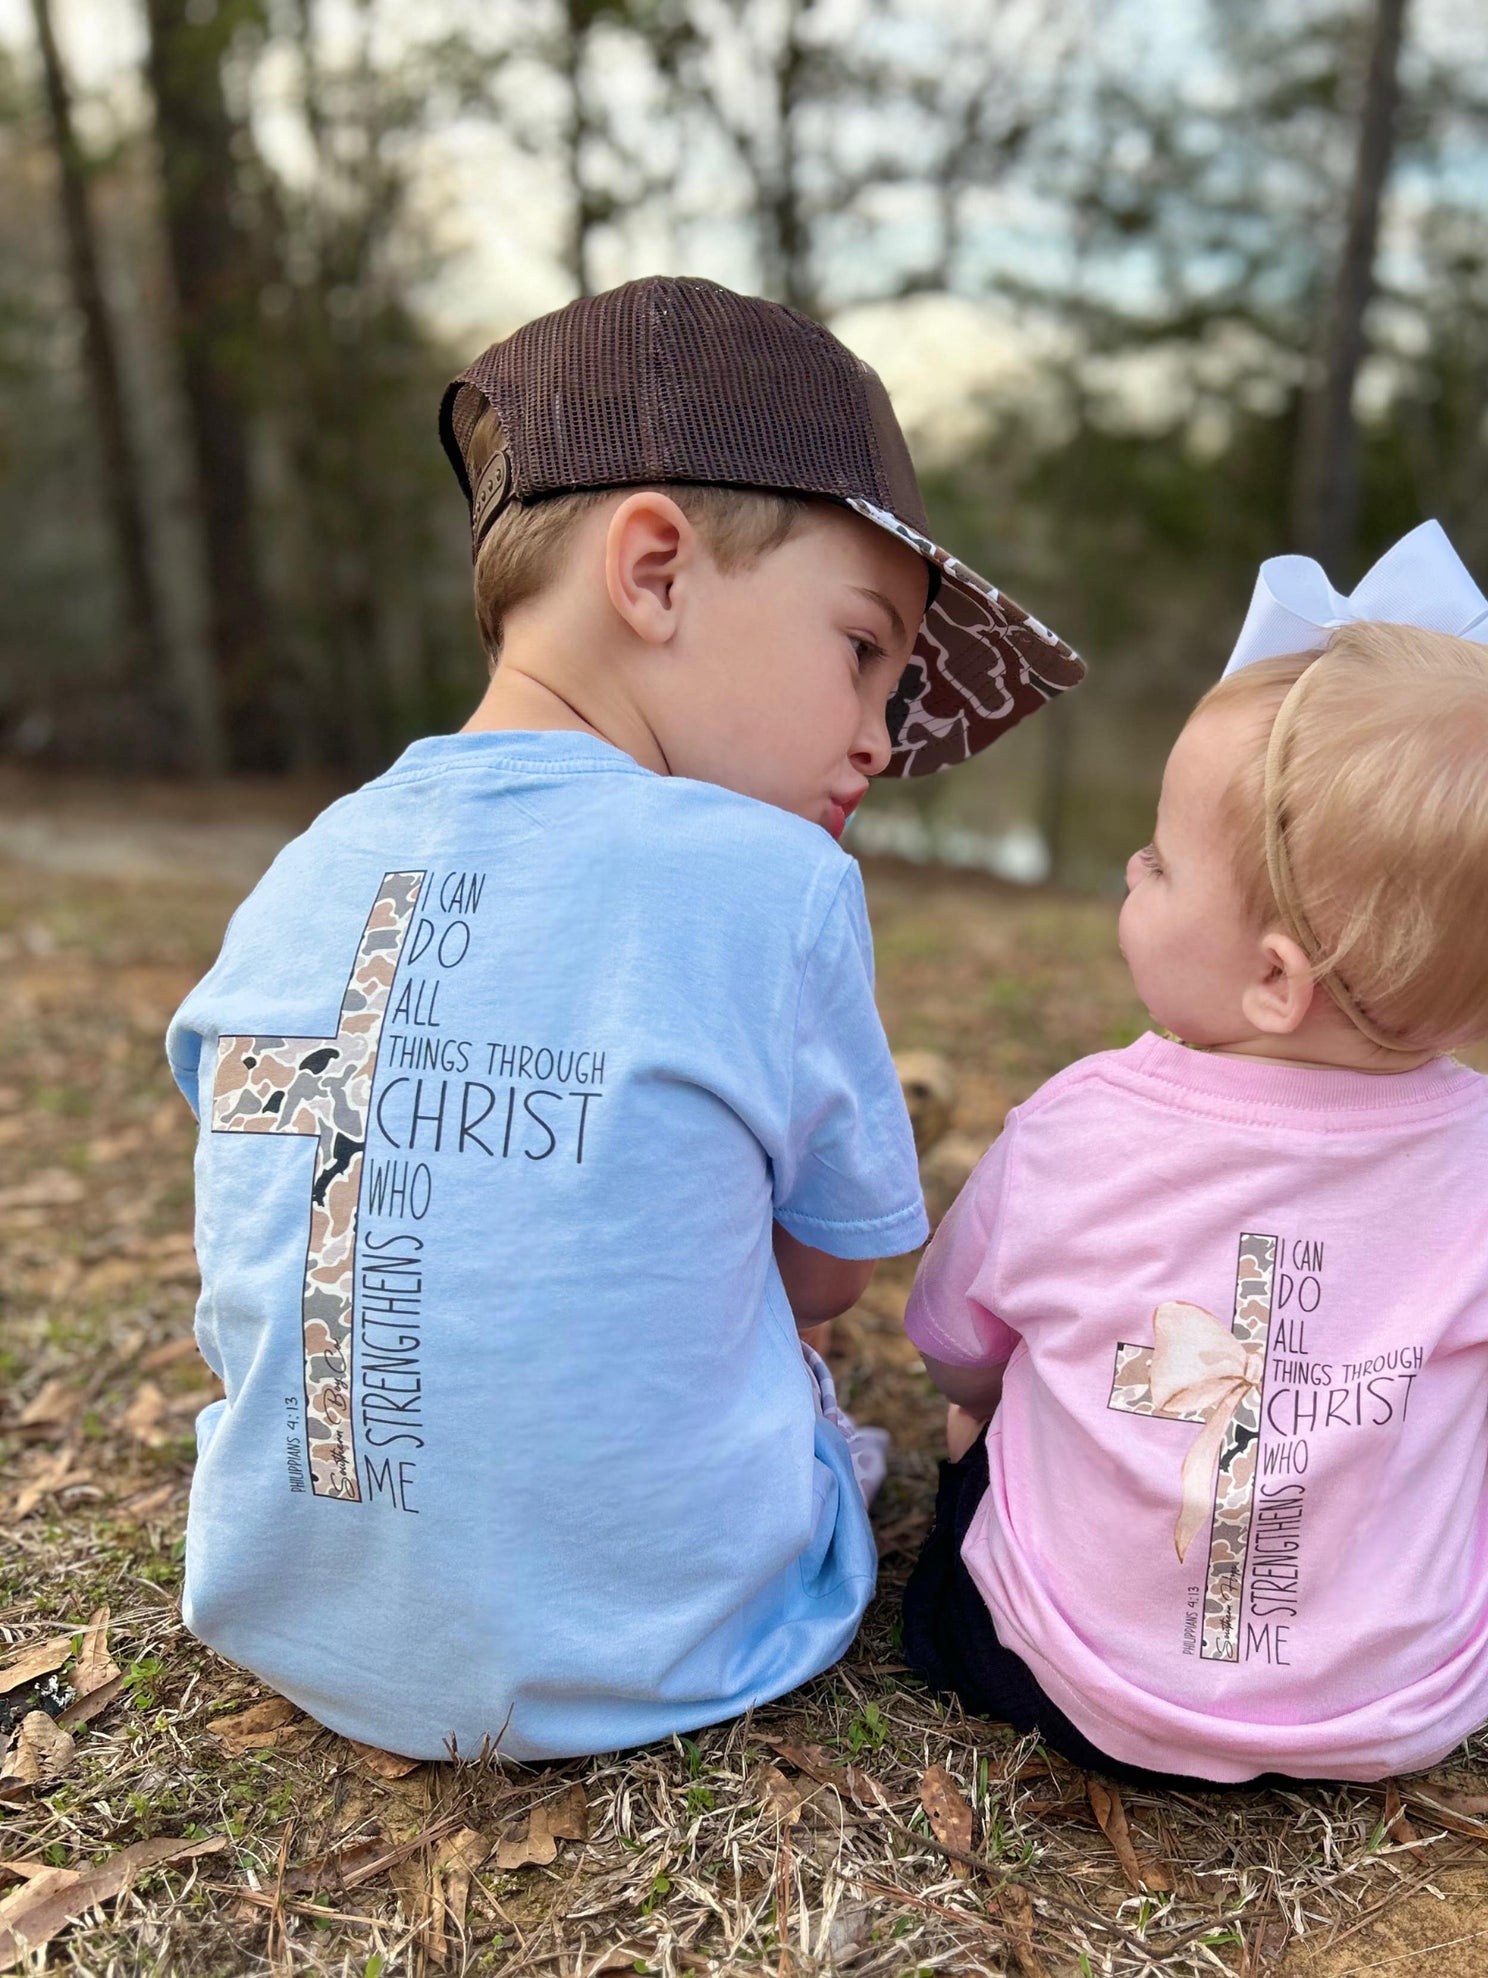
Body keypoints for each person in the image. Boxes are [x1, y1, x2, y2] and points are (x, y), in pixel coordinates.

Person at [164, 276, 1084, 1761]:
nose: (880, 732)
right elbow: (831, 1277)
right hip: (671, 1644)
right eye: (863, 646)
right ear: (652, 570)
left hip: (297, 1614)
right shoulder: (771, 876)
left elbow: (246, 1188)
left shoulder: (308, 858)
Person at [901, 522, 1488, 1786]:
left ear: (1271, 978)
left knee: (972, 1486)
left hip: (1061, 1676)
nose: (1130, 874)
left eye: (1157, 860)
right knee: (1486, 1533)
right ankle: (1356, 1656)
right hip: (1399, 1709)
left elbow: (956, 1340)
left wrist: (980, 1400)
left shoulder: (1073, 1129)